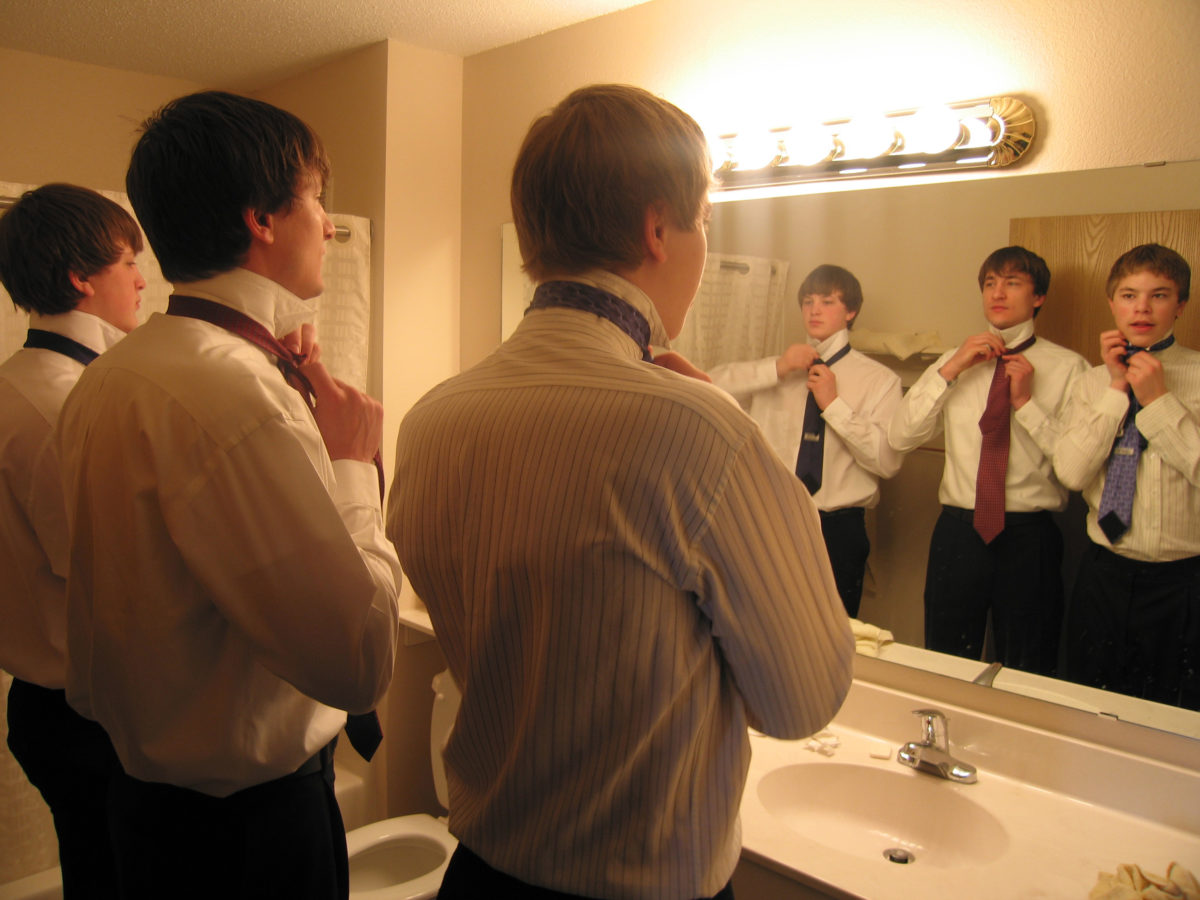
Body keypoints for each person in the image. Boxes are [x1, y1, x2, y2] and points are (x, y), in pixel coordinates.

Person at [386, 83, 854, 900]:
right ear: (656, 228)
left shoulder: (431, 418)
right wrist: (733, 445)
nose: (704, 243)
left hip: (479, 877)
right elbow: (801, 702)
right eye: (704, 220)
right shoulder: (699, 435)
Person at [54, 91, 402, 899]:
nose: (329, 222)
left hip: (145, 811)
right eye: (316, 197)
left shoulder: (109, 380)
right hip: (248, 842)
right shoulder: (235, 397)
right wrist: (350, 463)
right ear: (262, 220)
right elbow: (359, 663)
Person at [0, 183, 146, 898]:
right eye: (128, 261)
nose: (143, 279)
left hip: (50, 709)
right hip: (89, 717)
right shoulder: (65, 403)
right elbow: (106, 574)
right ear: (80, 279)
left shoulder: (17, 385)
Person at [888, 246, 1088, 676]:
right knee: (944, 659)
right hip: (959, 532)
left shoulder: (1071, 369)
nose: (998, 293)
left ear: (1039, 297)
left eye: (1012, 283)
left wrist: (1029, 405)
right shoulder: (953, 363)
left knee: (1029, 667)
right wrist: (951, 368)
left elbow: (1078, 467)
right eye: (990, 283)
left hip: (1029, 538)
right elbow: (901, 436)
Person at [709, 264, 902, 617]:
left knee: (835, 636)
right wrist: (776, 369)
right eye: (808, 301)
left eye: (827, 301)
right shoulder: (779, 372)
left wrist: (834, 406)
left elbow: (887, 462)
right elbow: (708, 389)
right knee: (761, 625)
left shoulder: (879, 381)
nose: (814, 310)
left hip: (838, 530)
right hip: (772, 522)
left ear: (851, 311)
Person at [1054, 244, 1199, 710]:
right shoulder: (1091, 382)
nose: (1141, 308)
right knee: (1091, 709)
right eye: (1128, 294)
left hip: (1185, 584)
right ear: (1111, 302)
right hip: (1104, 574)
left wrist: (1157, 401)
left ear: (1180, 305)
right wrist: (1118, 390)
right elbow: (1072, 473)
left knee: (1172, 720)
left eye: (1158, 295)